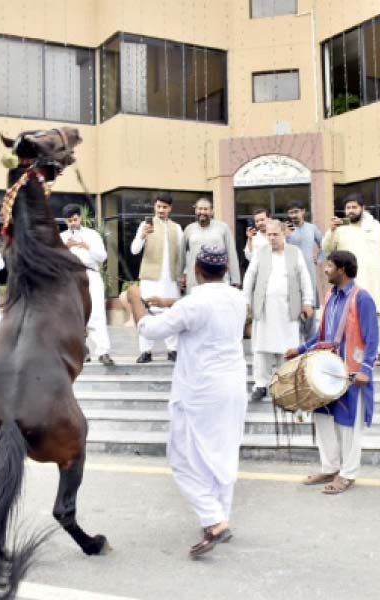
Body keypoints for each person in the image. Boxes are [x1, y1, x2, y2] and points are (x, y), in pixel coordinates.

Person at [125, 245, 248, 556]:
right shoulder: (237, 297)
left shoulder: (192, 304)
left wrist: (135, 299)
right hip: (233, 387)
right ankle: (219, 517)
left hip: (201, 391)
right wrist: (168, 303)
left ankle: (214, 520)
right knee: (222, 454)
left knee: (181, 457)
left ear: (196, 270)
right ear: (225, 271)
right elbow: (201, 307)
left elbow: (149, 328)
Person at [285, 251, 378, 494]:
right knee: (323, 418)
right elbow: (322, 334)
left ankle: (347, 474)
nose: (325, 270)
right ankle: (330, 467)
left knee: (347, 425)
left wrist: (366, 369)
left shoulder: (362, 298)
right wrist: (300, 349)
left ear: (343, 270)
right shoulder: (330, 296)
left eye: (329, 266)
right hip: (326, 371)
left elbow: (372, 338)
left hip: (350, 373)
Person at [243, 219, 313, 402]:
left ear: (284, 234)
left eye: (275, 234)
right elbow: (250, 277)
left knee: (287, 346)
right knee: (261, 348)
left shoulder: (295, 252)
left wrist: (308, 302)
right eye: (269, 234)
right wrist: (246, 301)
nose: (272, 238)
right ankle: (260, 384)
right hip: (264, 308)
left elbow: (305, 278)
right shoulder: (260, 253)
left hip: (288, 309)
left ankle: (286, 382)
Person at [322, 193, 380, 364]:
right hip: (352, 281)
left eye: (354, 207)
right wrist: (331, 230)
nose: (351, 210)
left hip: (376, 278)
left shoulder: (375, 227)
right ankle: (351, 349)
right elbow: (327, 249)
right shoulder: (340, 230)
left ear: (362, 208)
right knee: (351, 314)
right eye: (348, 208)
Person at [131, 192, 183, 363]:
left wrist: (183, 275)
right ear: (154, 206)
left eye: (165, 207)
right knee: (147, 312)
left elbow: (182, 254)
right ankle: (146, 351)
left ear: (170, 208)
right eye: (158, 206)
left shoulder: (177, 228)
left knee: (172, 312)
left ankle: (173, 349)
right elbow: (134, 250)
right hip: (150, 277)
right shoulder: (145, 225)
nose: (161, 210)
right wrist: (142, 236)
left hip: (171, 278)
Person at [60, 204, 114, 366]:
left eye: (75, 219)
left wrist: (86, 246)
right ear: (65, 221)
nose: (72, 223)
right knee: (75, 316)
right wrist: (65, 248)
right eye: (69, 221)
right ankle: (82, 350)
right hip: (71, 277)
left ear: (80, 218)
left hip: (91, 275)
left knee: (97, 313)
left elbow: (102, 257)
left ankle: (103, 352)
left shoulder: (92, 234)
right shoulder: (61, 237)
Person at [180, 197, 241, 293]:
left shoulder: (223, 228)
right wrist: (179, 277)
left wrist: (235, 280)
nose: (202, 212)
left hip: (219, 281)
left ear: (212, 211)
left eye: (205, 209)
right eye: (200, 209)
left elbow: (231, 254)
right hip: (194, 281)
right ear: (195, 210)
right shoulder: (189, 229)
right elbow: (181, 256)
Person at [285, 200, 324, 341]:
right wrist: (285, 235)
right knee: (293, 309)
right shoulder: (286, 230)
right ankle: (296, 345)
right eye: (290, 212)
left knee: (310, 310)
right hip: (291, 275)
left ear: (303, 211)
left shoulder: (311, 228)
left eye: (296, 211)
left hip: (310, 273)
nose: (293, 215)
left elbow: (324, 244)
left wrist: (319, 259)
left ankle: (310, 345)